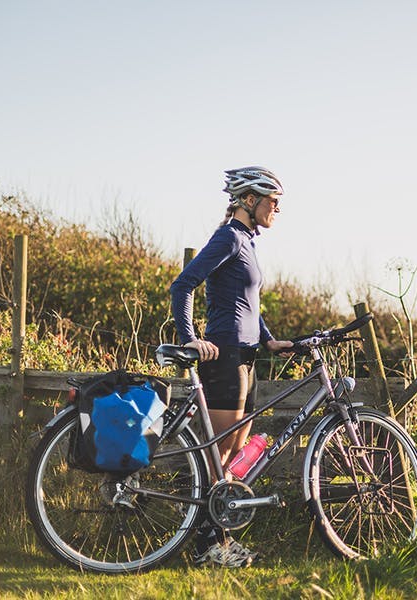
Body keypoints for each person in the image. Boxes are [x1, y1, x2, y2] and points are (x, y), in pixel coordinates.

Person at [170, 166, 293, 567]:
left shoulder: (246, 241)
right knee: (217, 455)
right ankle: (207, 545)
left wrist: (269, 337)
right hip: (222, 356)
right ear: (250, 200)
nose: (277, 209)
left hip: (247, 358)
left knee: (235, 455)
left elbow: (246, 302)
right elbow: (183, 284)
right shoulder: (227, 237)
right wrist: (189, 337)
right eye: (273, 201)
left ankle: (217, 541)